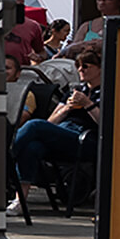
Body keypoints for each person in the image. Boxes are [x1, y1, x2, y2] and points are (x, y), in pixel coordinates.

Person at [11, 50, 103, 202]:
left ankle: (4, 156)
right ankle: (20, 200)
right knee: (32, 147)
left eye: (85, 66)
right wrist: (66, 109)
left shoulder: (106, 93)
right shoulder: (75, 90)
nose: (80, 70)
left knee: (34, 125)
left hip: (85, 138)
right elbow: (51, 121)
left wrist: (88, 104)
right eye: (78, 66)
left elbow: (104, 124)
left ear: (99, 68)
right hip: (63, 131)